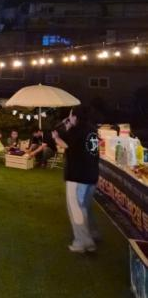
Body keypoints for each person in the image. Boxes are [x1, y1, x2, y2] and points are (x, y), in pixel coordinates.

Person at [52, 107, 100, 253]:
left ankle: (82, 242)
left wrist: (56, 138)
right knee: (85, 207)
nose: (69, 117)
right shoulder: (92, 130)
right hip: (92, 175)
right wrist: (68, 129)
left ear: (75, 117)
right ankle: (92, 235)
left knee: (76, 208)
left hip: (78, 176)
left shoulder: (76, 130)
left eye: (71, 115)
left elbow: (66, 145)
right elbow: (78, 145)